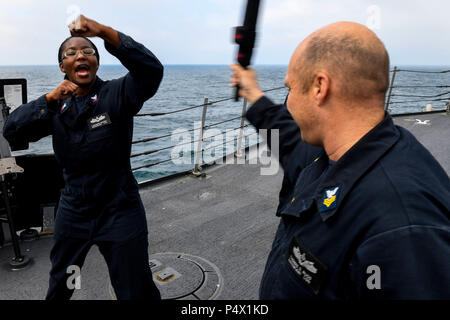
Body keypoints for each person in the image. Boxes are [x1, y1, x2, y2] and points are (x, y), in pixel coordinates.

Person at [231, 21, 450, 299]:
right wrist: (253, 93)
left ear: (319, 87)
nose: (288, 103)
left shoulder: (403, 226)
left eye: (292, 88)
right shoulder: (330, 152)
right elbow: (289, 140)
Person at [3, 15, 163, 300]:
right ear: (62, 66)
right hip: (73, 208)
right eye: (71, 53)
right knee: (62, 282)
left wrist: (102, 31)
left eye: (88, 51)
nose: (81, 55)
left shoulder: (116, 94)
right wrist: (48, 100)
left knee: (134, 287)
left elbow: (150, 70)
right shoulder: (54, 105)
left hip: (119, 207)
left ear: (97, 63)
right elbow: (12, 129)